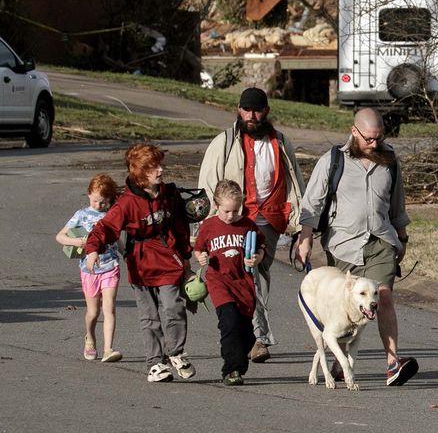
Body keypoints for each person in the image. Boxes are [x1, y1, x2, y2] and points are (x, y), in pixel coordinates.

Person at [295, 108, 419, 387]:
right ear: (354, 132)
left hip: (381, 241)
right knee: (347, 305)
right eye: (369, 139)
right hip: (343, 245)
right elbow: (312, 201)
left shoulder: (390, 161)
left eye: (379, 138)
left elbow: (397, 202)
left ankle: (392, 364)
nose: (375, 144)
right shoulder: (333, 160)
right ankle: (342, 361)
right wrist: (305, 237)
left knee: (382, 297)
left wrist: (402, 236)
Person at [198, 86, 304, 364]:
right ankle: (259, 337)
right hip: (236, 221)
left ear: (266, 111)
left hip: (269, 219)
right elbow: (208, 186)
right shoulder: (224, 143)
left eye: (257, 110)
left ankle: (250, 333)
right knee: (250, 272)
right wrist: (205, 228)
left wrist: (300, 223)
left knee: (259, 274)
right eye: (247, 109)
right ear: (239, 109)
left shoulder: (280, 142)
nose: (252, 115)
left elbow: (294, 184)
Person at [85, 143, 194, 382]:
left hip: (168, 260)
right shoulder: (126, 202)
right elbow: (105, 228)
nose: (161, 170)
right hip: (141, 263)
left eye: (160, 165)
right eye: (154, 166)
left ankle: (175, 352)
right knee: (150, 317)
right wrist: (93, 249)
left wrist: (186, 257)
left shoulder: (169, 194)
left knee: (174, 308)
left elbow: (180, 226)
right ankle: (156, 364)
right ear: (141, 172)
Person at [193, 180, 264, 387]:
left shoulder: (247, 225)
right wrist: (201, 258)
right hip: (219, 282)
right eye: (226, 211)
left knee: (246, 332)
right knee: (229, 323)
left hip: (243, 283)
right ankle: (231, 369)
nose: (230, 216)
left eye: (235, 211)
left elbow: (260, 247)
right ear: (216, 205)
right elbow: (199, 249)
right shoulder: (209, 226)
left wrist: (257, 258)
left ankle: (239, 360)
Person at [56, 174, 123, 363]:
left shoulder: (112, 215)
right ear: (88, 195)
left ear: (110, 200)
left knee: (109, 308)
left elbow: (118, 239)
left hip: (110, 266)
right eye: (95, 201)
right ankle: (90, 337)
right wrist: (77, 241)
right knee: (93, 312)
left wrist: (127, 255)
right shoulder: (82, 215)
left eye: (103, 202)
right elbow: (59, 237)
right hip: (89, 269)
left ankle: (109, 348)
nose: (99, 206)